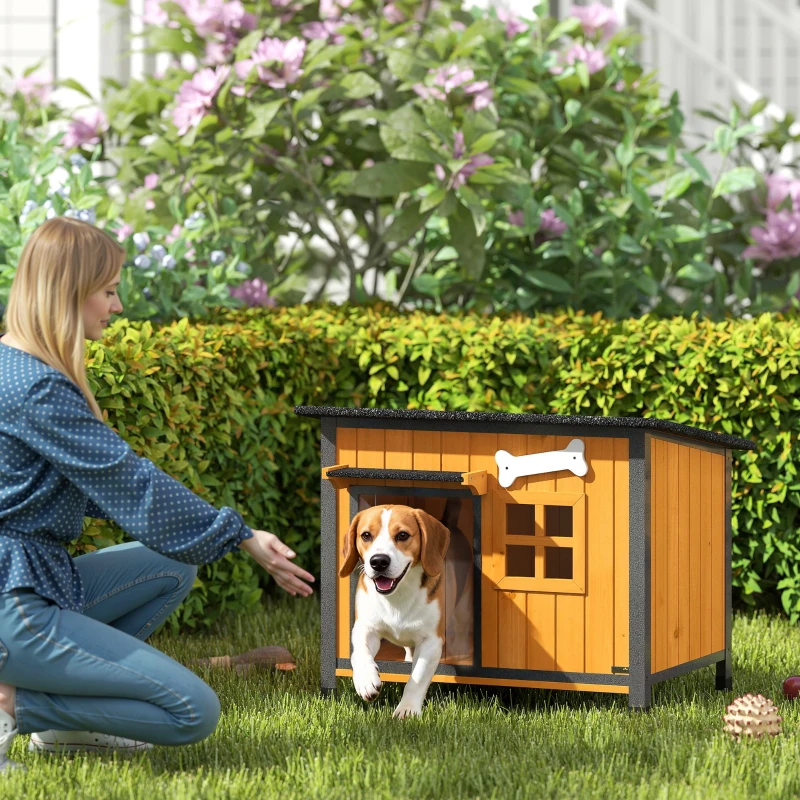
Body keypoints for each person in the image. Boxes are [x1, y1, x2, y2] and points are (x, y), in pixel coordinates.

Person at [0, 217, 314, 771]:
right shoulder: (38, 388)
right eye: (110, 290)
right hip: (14, 606)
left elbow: (104, 488)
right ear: (69, 291)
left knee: (171, 564)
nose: (117, 306)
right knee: (192, 710)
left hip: (32, 580)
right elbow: (130, 482)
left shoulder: (13, 365)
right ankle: (19, 707)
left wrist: (213, 534)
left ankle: (60, 728)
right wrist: (240, 535)